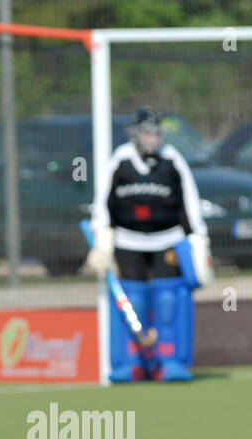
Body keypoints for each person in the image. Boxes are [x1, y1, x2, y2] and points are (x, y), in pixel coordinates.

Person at [85, 106, 210, 382]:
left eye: (156, 133)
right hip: (128, 242)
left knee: (168, 300)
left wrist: (197, 239)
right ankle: (132, 362)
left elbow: (189, 202)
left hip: (168, 240)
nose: (152, 138)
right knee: (134, 300)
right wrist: (103, 236)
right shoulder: (121, 161)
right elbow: (104, 202)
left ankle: (169, 359)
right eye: (147, 133)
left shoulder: (172, 161)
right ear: (136, 134)